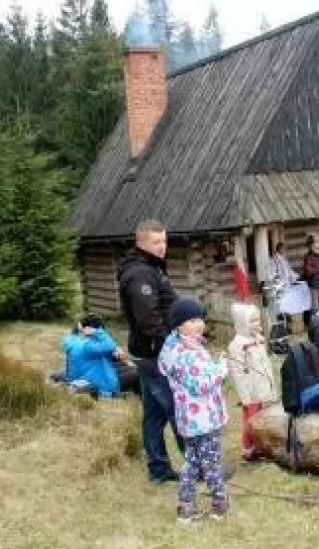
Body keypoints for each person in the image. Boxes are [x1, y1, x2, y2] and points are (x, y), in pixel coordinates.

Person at [118, 219, 183, 484]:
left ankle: (158, 469)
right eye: (156, 242)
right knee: (178, 408)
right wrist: (171, 346)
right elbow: (148, 319)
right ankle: (200, 467)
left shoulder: (150, 268)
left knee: (154, 414)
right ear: (141, 242)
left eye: (164, 240)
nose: (162, 246)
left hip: (150, 353)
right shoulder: (140, 273)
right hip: (156, 355)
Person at [158, 298, 230, 523]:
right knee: (210, 462)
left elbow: (167, 362)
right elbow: (201, 385)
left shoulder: (176, 346)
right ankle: (219, 503)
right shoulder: (187, 354)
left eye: (200, 318)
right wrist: (221, 370)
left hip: (189, 420)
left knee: (192, 462)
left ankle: (185, 506)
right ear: (178, 325)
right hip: (204, 419)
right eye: (191, 320)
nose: (198, 324)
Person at [228, 303, 277, 461]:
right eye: (252, 321)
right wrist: (245, 396)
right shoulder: (237, 346)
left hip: (260, 385)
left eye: (257, 320)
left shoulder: (257, 339)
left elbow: (264, 363)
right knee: (251, 419)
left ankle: (259, 445)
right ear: (242, 323)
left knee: (260, 417)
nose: (257, 324)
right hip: (250, 389)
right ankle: (248, 448)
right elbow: (238, 373)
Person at [60, 313, 125, 398]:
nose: (102, 331)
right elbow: (109, 345)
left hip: (81, 376)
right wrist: (97, 332)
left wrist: (115, 352)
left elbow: (105, 351)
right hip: (99, 383)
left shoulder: (73, 341)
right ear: (90, 329)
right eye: (100, 329)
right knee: (135, 373)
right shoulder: (88, 346)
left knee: (122, 364)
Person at [302, 239, 319, 323]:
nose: (318, 248)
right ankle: (315, 324)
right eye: (316, 246)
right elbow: (308, 271)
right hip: (314, 282)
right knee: (315, 304)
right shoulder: (308, 257)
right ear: (311, 247)